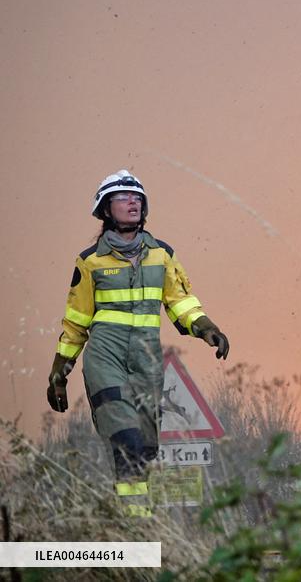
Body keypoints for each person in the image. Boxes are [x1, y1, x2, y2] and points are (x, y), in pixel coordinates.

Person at [47, 170, 230, 517]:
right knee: (126, 439)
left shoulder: (162, 254)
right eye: (123, 197)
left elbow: (180, 301)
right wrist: (59, 372)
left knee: (144, 449)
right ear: (105, 209)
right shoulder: (90, 261)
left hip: (147, 362)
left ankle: (135, 519)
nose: (132, 202)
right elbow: (76, 322)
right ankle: (136, 522)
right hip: (106, 358)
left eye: (137, 198)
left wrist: (205, 327)